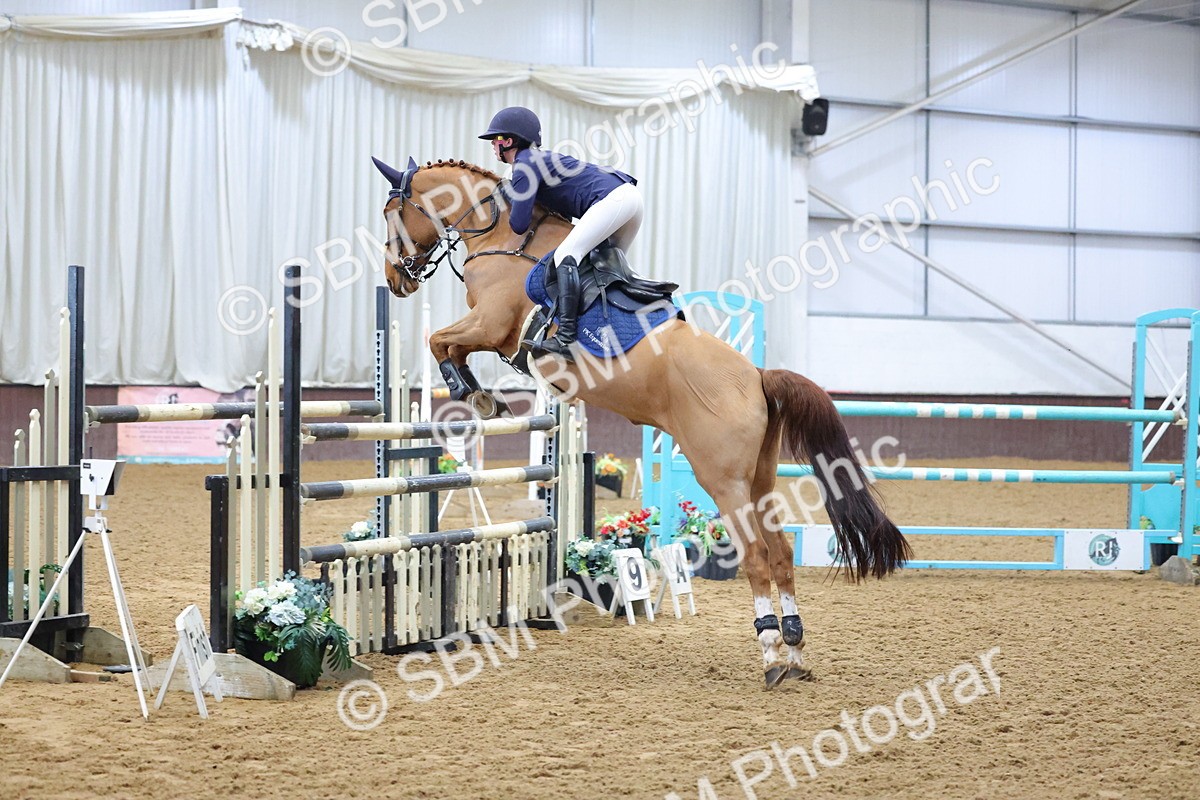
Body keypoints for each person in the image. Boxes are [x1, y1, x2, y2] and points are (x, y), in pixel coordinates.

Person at [479, 106, 643, 362]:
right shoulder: (534, 161)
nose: (492, 146)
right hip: (627, 199)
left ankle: (566, 338)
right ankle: (619, 326)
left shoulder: (524, 164)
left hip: (615, 199)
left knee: (567, 254)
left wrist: (505, 192)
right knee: (602, 268)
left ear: (508, 141)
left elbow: (519, 224)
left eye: (494, 140)